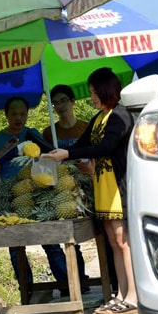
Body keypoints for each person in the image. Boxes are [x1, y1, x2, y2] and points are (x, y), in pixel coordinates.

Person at [42, 67, 137, 314]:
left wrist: (69, 154)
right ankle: (120, 294)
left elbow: (106, 146)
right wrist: (55, 153)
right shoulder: (98, 117)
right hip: (102, 188)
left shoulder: (121, 115)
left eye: (94, 91)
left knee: (123, 241)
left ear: (106, 89)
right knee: (114, 243)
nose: (92, 96)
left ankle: (133, 296)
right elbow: (83, 143)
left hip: (118, 187)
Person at [0, 96, 74, 298]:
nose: (19, 118)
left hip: (36, 193)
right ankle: (26, 289)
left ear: (27, 114)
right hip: (10, 195)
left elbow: (49, 157)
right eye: (14, 114)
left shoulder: (33, 134)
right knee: (15, 245)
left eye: (22, 114)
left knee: (49, 240)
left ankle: (66, 284)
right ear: (6, 115)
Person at [43, 84, 119, 295]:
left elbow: (98, 154)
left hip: (90, 185)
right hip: (64, 191)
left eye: (63, 101)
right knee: (69, 238)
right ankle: (77, 284)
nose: (59, 106)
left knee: (105, 236)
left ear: (73, 101)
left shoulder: (87, 126)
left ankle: (114, 283)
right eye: (55, 102)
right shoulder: (49, 132)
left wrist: (91, 168)